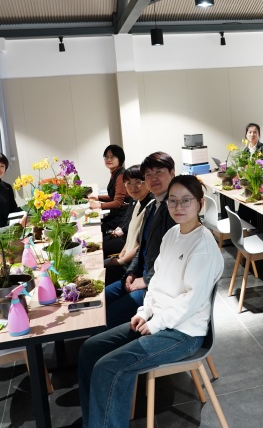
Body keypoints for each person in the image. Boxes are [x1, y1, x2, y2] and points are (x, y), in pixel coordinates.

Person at [78, 175, 224, 428]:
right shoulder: (172, 234)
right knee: (90, 349)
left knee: (109, 367)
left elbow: (190, 301)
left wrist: (155, 323)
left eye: (186, 201)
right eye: (173, 201)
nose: (178, 207)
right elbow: (156, 281)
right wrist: (144, 312)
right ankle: (95, 422)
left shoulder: (203, 246)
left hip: (184, 332)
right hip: (159, 319)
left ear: (200, 204)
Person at [103, 152, 176, 328]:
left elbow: (174, 257)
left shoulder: (174, 209)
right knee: (100, 301)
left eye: (159, 172)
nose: (153, 178)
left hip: (154, 287)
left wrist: (146, 280)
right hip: (139, 275)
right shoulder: (151, 205)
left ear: (172, 173)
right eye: (148, 174)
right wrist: (131, 272)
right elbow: (141, 246)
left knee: (105, 318)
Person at [103, 165, 154, 286]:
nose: (133, 187)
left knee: (102, 274)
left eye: (138, 182)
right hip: (127, 258)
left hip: (135, 266)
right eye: (128, 183)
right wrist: (122, 254)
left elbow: (141, 245)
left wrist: (121, 261)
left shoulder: (151, 206)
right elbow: (130, 235)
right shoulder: (137, 202)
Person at [89, 145, 131, 235]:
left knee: (94, 230)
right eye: (106, 157)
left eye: (112, 157)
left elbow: (118, 202)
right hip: (115, 214)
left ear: (120, 158)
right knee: (94, 225)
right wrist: (97, 197)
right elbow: (114, 196)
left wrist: (98, 205)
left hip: (121, 218)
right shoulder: (115, 173)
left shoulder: (121, 176)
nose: (109, 159)